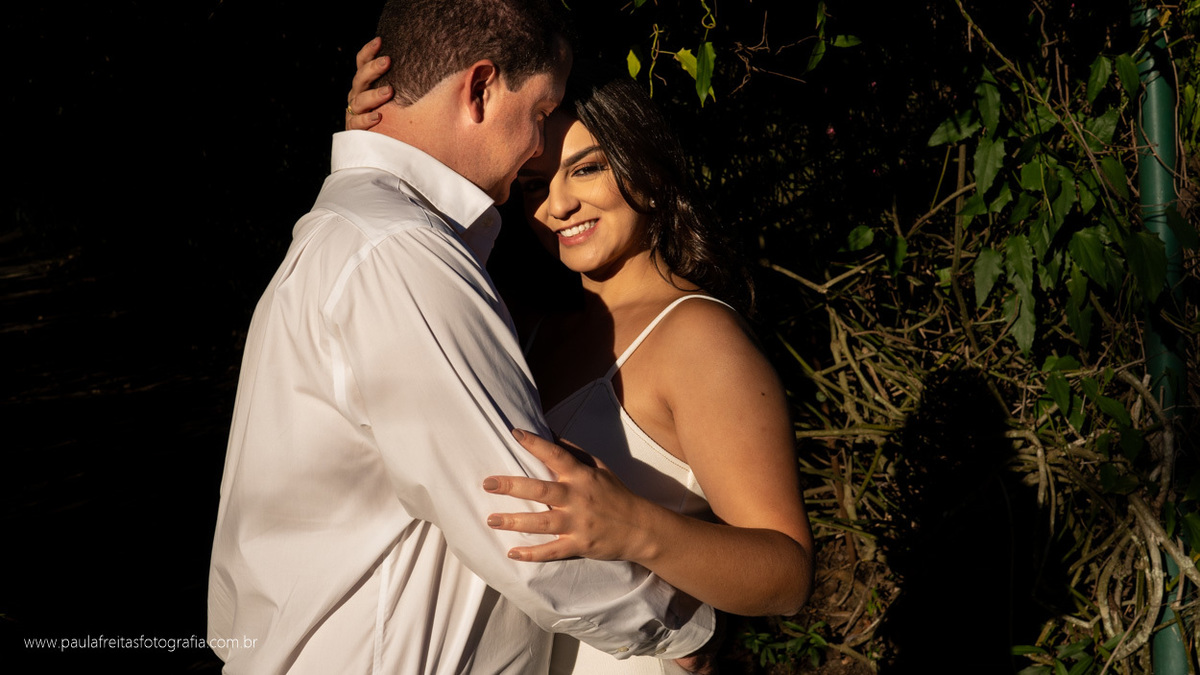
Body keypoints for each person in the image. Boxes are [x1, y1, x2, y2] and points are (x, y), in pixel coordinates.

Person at [207, 2, 718, 673]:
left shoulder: (357, 232)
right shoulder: (400, 256)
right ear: (478, 88)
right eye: (540, 112)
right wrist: (683, 631)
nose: (542, 144)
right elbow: (524, 524)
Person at [347, 47, 815, 674]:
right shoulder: (524, 323)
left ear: (644, 169)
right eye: (536, 185)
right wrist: (381, 144)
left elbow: (785, 576)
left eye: (586, 169)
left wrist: (634, 526)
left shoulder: (698, 337)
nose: (556, 206)